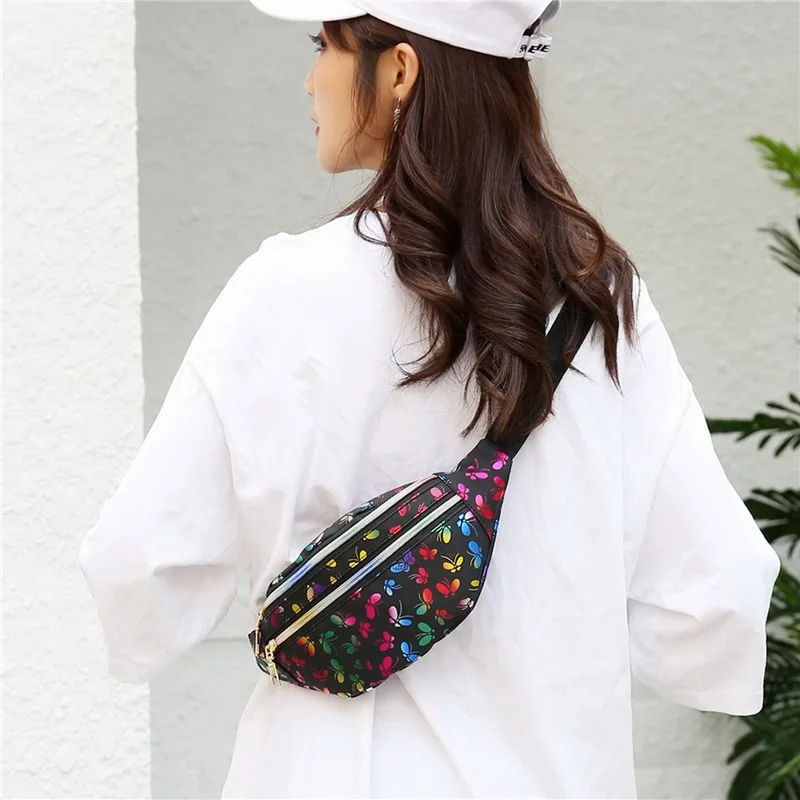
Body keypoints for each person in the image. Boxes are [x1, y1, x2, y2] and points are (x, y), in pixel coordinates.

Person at [77, 1, 782, 797]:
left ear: (401, 70)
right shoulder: (602, 299)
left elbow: (138, 569)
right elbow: (713, 599)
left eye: (324, 46)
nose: (310, 81)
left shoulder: (284, 291)